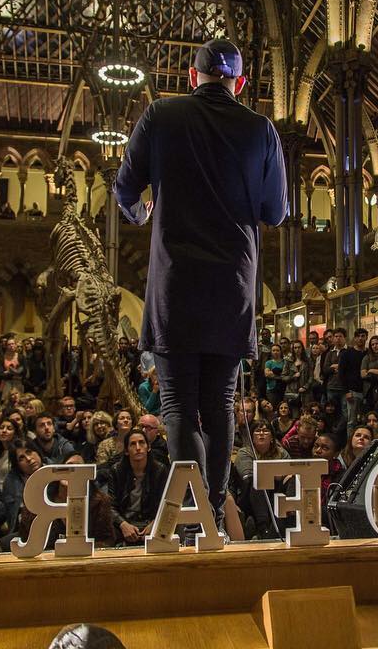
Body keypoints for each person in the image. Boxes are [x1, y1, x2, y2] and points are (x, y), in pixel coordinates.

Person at [113, 38, 286, 527]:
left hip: (175, 285)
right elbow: (274, 211)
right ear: (241, 83)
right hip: (232, 287)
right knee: (221, 403)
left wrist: (141, 212)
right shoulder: (261, 129)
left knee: (179, 407)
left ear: (192, 78)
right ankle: (211, 507)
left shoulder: (160, 117)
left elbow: (124, 186)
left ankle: (194, 513)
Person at [104, 428, 170, 545]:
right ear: (126, 450)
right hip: (125, 523)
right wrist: (123, 524)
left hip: (151, 522)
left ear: (148, 447)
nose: (138, 448)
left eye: (141, 443)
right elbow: (111, 506)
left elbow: (166, 504)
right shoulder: (116, 471)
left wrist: (155, 524)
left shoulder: (160, 470)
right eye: (133, 444)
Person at [264, 344, 287, 409]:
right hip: (271, 389)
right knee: (272, 408)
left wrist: (273, 373)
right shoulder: (268, 363)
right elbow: (267, 374)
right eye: (273, 350)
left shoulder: (285, 362)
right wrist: (280, 375)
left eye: (277, 350)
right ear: (271, 352)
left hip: (283, 389)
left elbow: (286, 374)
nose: (275, 352)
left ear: (280, 351)